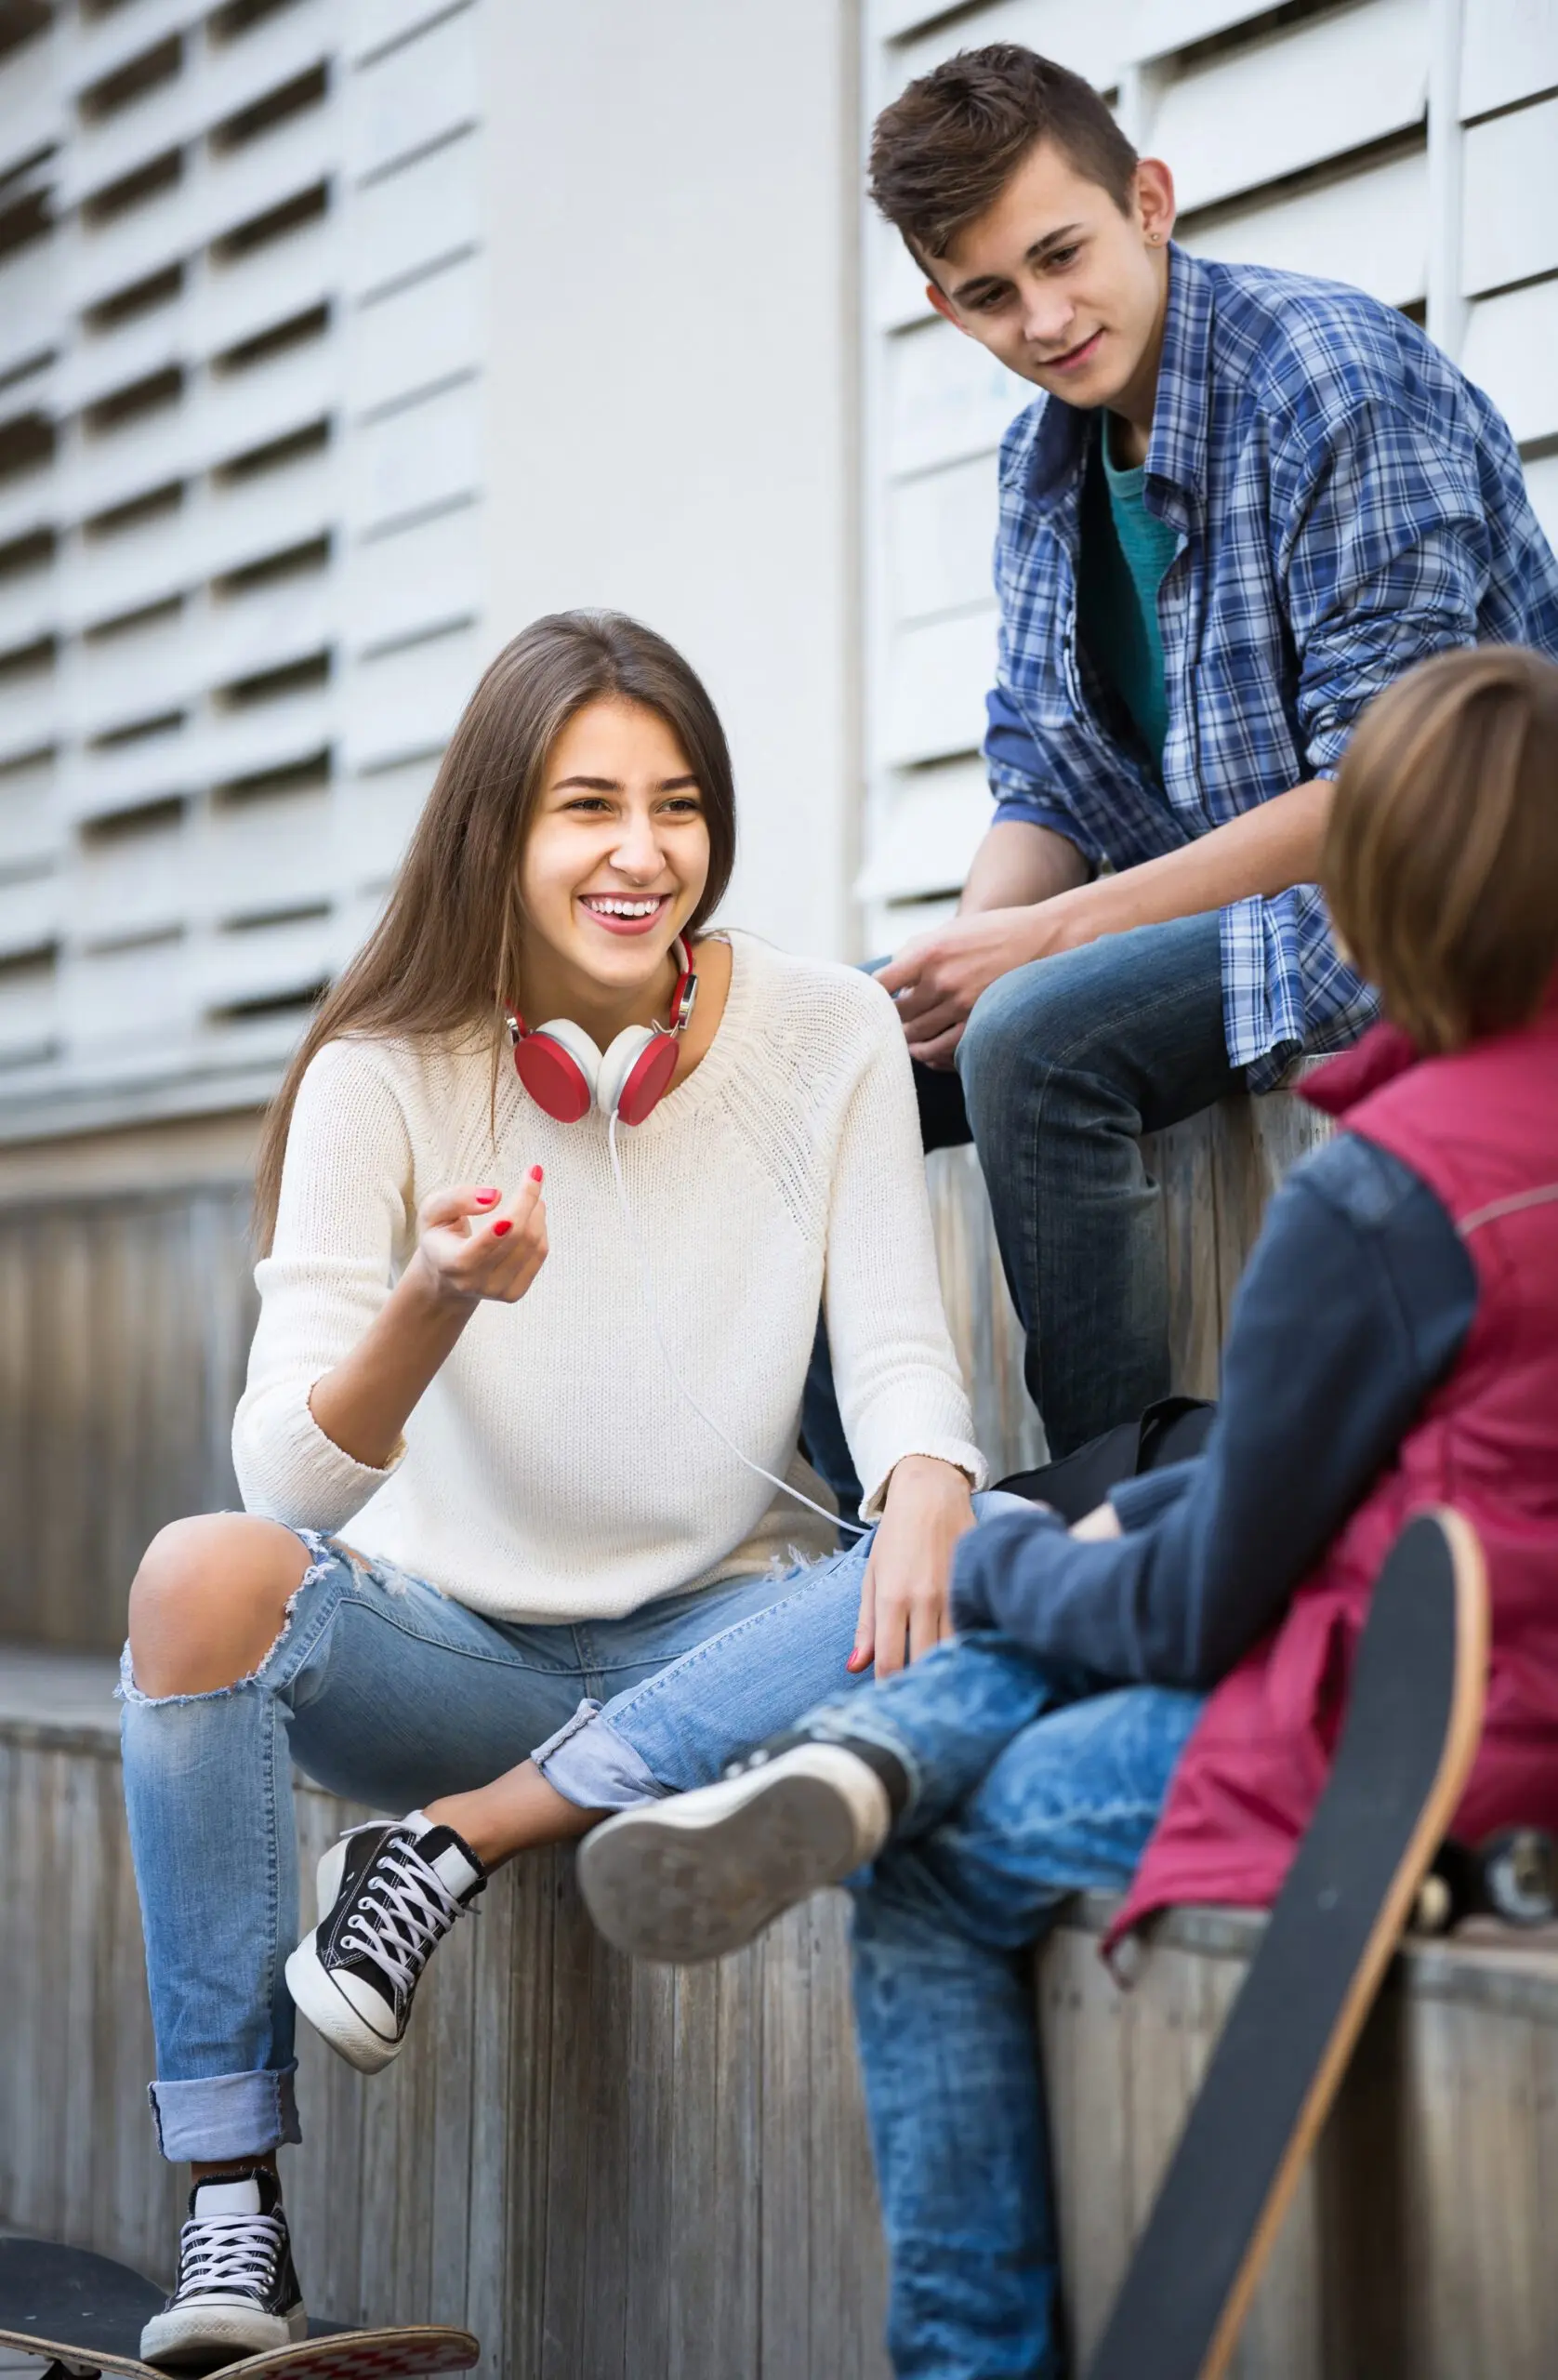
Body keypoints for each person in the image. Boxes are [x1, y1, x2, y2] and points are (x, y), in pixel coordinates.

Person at [582, 645, 1558, 2379]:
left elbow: (1203, 1621)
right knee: (1116, 1556)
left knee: (941, 1854)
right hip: (1471, 1681)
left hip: (1438, 1761)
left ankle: (881, 1773)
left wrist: (1027, 1557)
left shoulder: (1393, 1200)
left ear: (1386, 891)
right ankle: (874, 1750)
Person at [117, 610, 995, 2366]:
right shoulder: (382, 1074)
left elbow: (904, 1351)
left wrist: (929, 1481)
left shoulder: (822, 1037)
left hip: (720, 1643)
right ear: (498, 832)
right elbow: (282, 1468)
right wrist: (435, 1299)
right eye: (586, 807)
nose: (640, 854)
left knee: (1009, 1535)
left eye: (677, 807)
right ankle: (232, 2213)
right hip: (452, 1653)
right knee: (193, 1576)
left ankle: (440, 1857)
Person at [803, 44, 1558, 1506]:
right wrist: (956, 960)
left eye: (1061, 255)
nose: (1043, 318)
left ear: (1149, 200)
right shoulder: (1045, 469)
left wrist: (1037, 955)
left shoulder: (1327, 383)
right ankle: (882, 1534)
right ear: (939, 302)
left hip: (1436, 903)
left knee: (1037, 1043)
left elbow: (1386, 790)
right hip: (1237, 913)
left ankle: (1125, 1514)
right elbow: (1048, 784)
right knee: (827, 1062)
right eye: (988, 295)